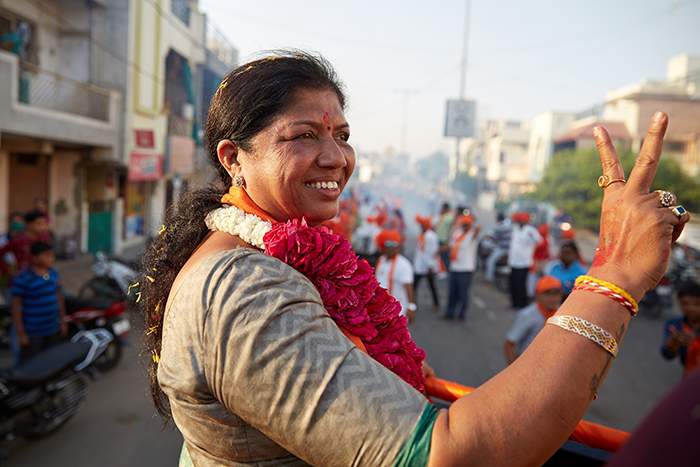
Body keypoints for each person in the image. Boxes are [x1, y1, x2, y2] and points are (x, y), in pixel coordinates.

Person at [140, 52, 687, 466]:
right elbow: (449, 456)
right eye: (303, 136)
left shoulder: (273, 253)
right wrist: (615, 272)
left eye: (342, 135)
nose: (336, 157)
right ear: (234, 158)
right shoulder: (241, 287)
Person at [10, 241, 66, 364]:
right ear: (34, 258)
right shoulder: (23, 278)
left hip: (52, 329)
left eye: (52, 255)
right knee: (30, 365)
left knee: (49, 362)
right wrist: (21, 333)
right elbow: (16, 307)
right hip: (33, 332)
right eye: (46, 255)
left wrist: (62, 321)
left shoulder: (53, 274)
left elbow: (59, 298)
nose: (51, 258)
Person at [504, 276, 563, 364]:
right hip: (527, 363)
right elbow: (509, 344)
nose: (553, 298)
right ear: (537, 295)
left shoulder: (563, 313)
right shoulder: (527, 315)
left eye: (556, 293)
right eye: (547, 294)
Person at [374, 230, 416, 323]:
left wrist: (411, 307)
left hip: (398, 311)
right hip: (379, 308)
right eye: (390, 245)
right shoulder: (381, 260)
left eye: (396, 245)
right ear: (384, 247)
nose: (394, 248)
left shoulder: (404, 264)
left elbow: (409, 287)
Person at [660, 282, 700, 375]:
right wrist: (674, 342)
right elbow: (667, 355)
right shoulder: (675, 325)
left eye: (697, 304)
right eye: (685, 304)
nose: (691, 308)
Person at [445, 215, 480, 321]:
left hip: (466, 269)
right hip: (455, 267)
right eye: (463, 224)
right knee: (452, 292)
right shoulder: (457, 232)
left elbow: (478, 229)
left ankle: (461, 314)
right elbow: (451, 244)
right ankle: (449, 313)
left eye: (466, 224)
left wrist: (472, 223)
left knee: (463, 293)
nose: (464, 226)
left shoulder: (472, 234)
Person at [508, 211, 542, 309]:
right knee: (513, 284)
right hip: (513, 261)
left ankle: (522, 304)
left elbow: (539, 241)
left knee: (521, 285)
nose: (519, 222)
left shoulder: (531, 230)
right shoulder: (515, 229)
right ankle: (514, 303)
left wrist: (531, 241)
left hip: (524, 263)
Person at [413, 215, 440, 312]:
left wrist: (430, 266)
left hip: (428, 267)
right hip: (420, 266)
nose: (420, 226)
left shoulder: (431, 236)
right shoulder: (423, 234)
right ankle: (413, 304)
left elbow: (432, 252)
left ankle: (436, 304)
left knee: (431, 286)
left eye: (422, 225)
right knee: (414, 286)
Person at [485, 212, 511, 282]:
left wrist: (489, 238)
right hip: (511, 249)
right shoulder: (509, 224)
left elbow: (494, 238)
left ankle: (489, 278)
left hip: (503, 249)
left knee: (490, 261)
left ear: (498, 219)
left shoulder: (499, 227)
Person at [435, 202, 454, 271]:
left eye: (442, 208)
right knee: (440, 256)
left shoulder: (450, 217)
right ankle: (442, 270)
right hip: (439, 239)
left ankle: (447, 270)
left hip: (445, 240)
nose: (441, 209)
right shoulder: (442, 216)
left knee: (445, 256)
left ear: (445, 209)